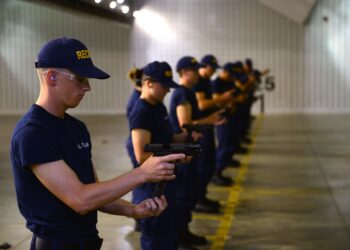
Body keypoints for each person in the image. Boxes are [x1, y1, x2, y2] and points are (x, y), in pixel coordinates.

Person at [10, 37, 185, 250]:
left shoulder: (76, 128)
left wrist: (133, 210)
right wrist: (141, 174)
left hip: (87, 241)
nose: (87, 87)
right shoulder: (33, 133)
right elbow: (80, 199)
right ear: (52, 77)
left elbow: (94, 193)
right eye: (80, 79)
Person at [127, 61, 194, 250]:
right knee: (156, 237)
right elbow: (142, 154)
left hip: (165, 180)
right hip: (150, 188)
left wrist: (184, 138)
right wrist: (177, 154)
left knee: (168, 232)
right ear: (148, 83)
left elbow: (167, 137)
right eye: (164, 86)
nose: (167, 91)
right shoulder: (141, 112)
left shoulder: (158, 107)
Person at [169, 56, 224, 249]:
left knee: (189, 193)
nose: (197, 74)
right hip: (183, 152)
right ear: (184, 73)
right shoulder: (182, 94)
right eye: (194, 71)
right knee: (184, 195)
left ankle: (183, 232)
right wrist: (210, 120)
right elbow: (186, 125)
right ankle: (179, 236)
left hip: (188, 149)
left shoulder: (187, 92)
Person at [192, 55, 232, 213]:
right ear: (205, 66)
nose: (214, 71)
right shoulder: (199, 82)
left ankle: (202, 196)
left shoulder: (207, 81)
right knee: (203, 165)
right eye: (212, 68)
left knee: (209, 163)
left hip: (208, 125)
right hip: (201, 127)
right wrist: (223, 98)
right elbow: (202, 104)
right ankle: (198, 199)